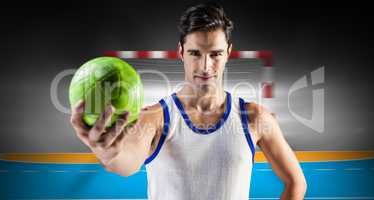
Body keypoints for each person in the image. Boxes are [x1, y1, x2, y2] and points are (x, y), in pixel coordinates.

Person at [70, 2, 307, 200]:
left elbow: (296, 183)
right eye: (195, 53)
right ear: (181, 52)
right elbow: (127, 163)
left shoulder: (254, 118)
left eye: (215, 54)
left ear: (228, 53)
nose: (205, 66)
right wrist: (109, 154)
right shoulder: (155, 118)